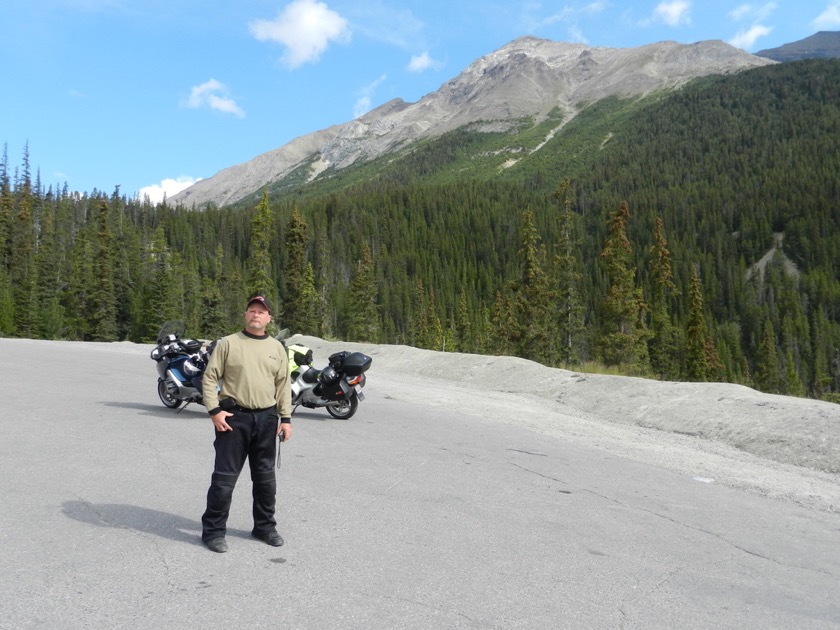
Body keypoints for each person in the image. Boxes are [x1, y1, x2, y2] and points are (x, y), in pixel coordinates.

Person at [200, 294, 293, 553]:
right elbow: (209, 378)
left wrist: (285, 419)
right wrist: (214, 411)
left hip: (267, 419)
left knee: (265, 479)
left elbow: (283, 385)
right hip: (234, 419)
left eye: (261, 312)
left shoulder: (276, 348)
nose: (256, 315)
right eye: (252, 310)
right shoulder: (228, 344)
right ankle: (213, 532)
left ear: (269, 318)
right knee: (224, 479)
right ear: (245, 315)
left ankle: (264, 527)